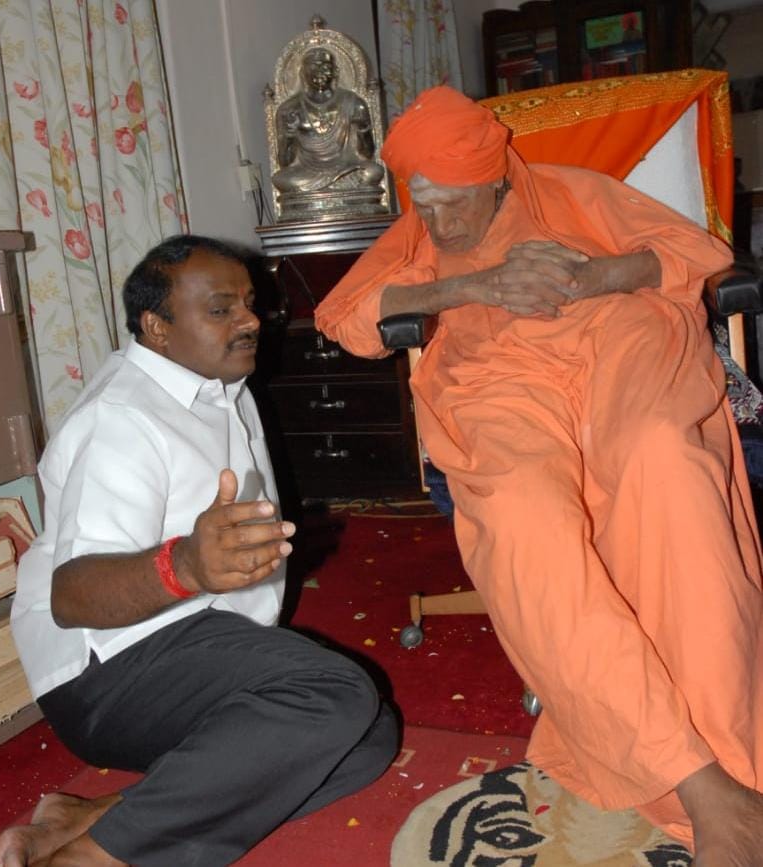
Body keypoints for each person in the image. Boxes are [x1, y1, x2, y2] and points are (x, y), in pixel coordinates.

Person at [315, 86, 763, 864]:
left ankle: (734, 753)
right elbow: (345, 316)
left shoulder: (574, 192)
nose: (439, 220)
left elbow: (700, 253)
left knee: (665, 470)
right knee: (525, 525)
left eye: (454, 202)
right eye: (423, 200)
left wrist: (595, 276)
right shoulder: (420, 235)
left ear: (495, 177)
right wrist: (473, 287)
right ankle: (699, 784)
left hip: (622, 350)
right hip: (499, 382)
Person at [0, 235, 399, 867]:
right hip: (106, 671)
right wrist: (185, 565)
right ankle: (92, 859)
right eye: (220, 309)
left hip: (192, 640)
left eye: (249, 304)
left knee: (368, 737)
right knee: (333, 693)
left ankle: (91, 817)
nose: (249, 321)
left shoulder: (216, 385)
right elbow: (71, 598)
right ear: (156, 326)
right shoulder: (122, 419)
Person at [272, 47, 384, 194]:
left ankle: (326, 188)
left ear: (335, 71)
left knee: (374, 171)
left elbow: (367, 153)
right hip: (307, 171)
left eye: (325, 66)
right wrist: (289, 136)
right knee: (280, 179)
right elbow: (284, 162)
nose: (320, 71)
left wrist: (364, 130)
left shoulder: (353, 103)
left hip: (346, 167)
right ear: (302, 73)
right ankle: (339, 187)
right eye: (313, 66)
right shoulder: (289, 109)